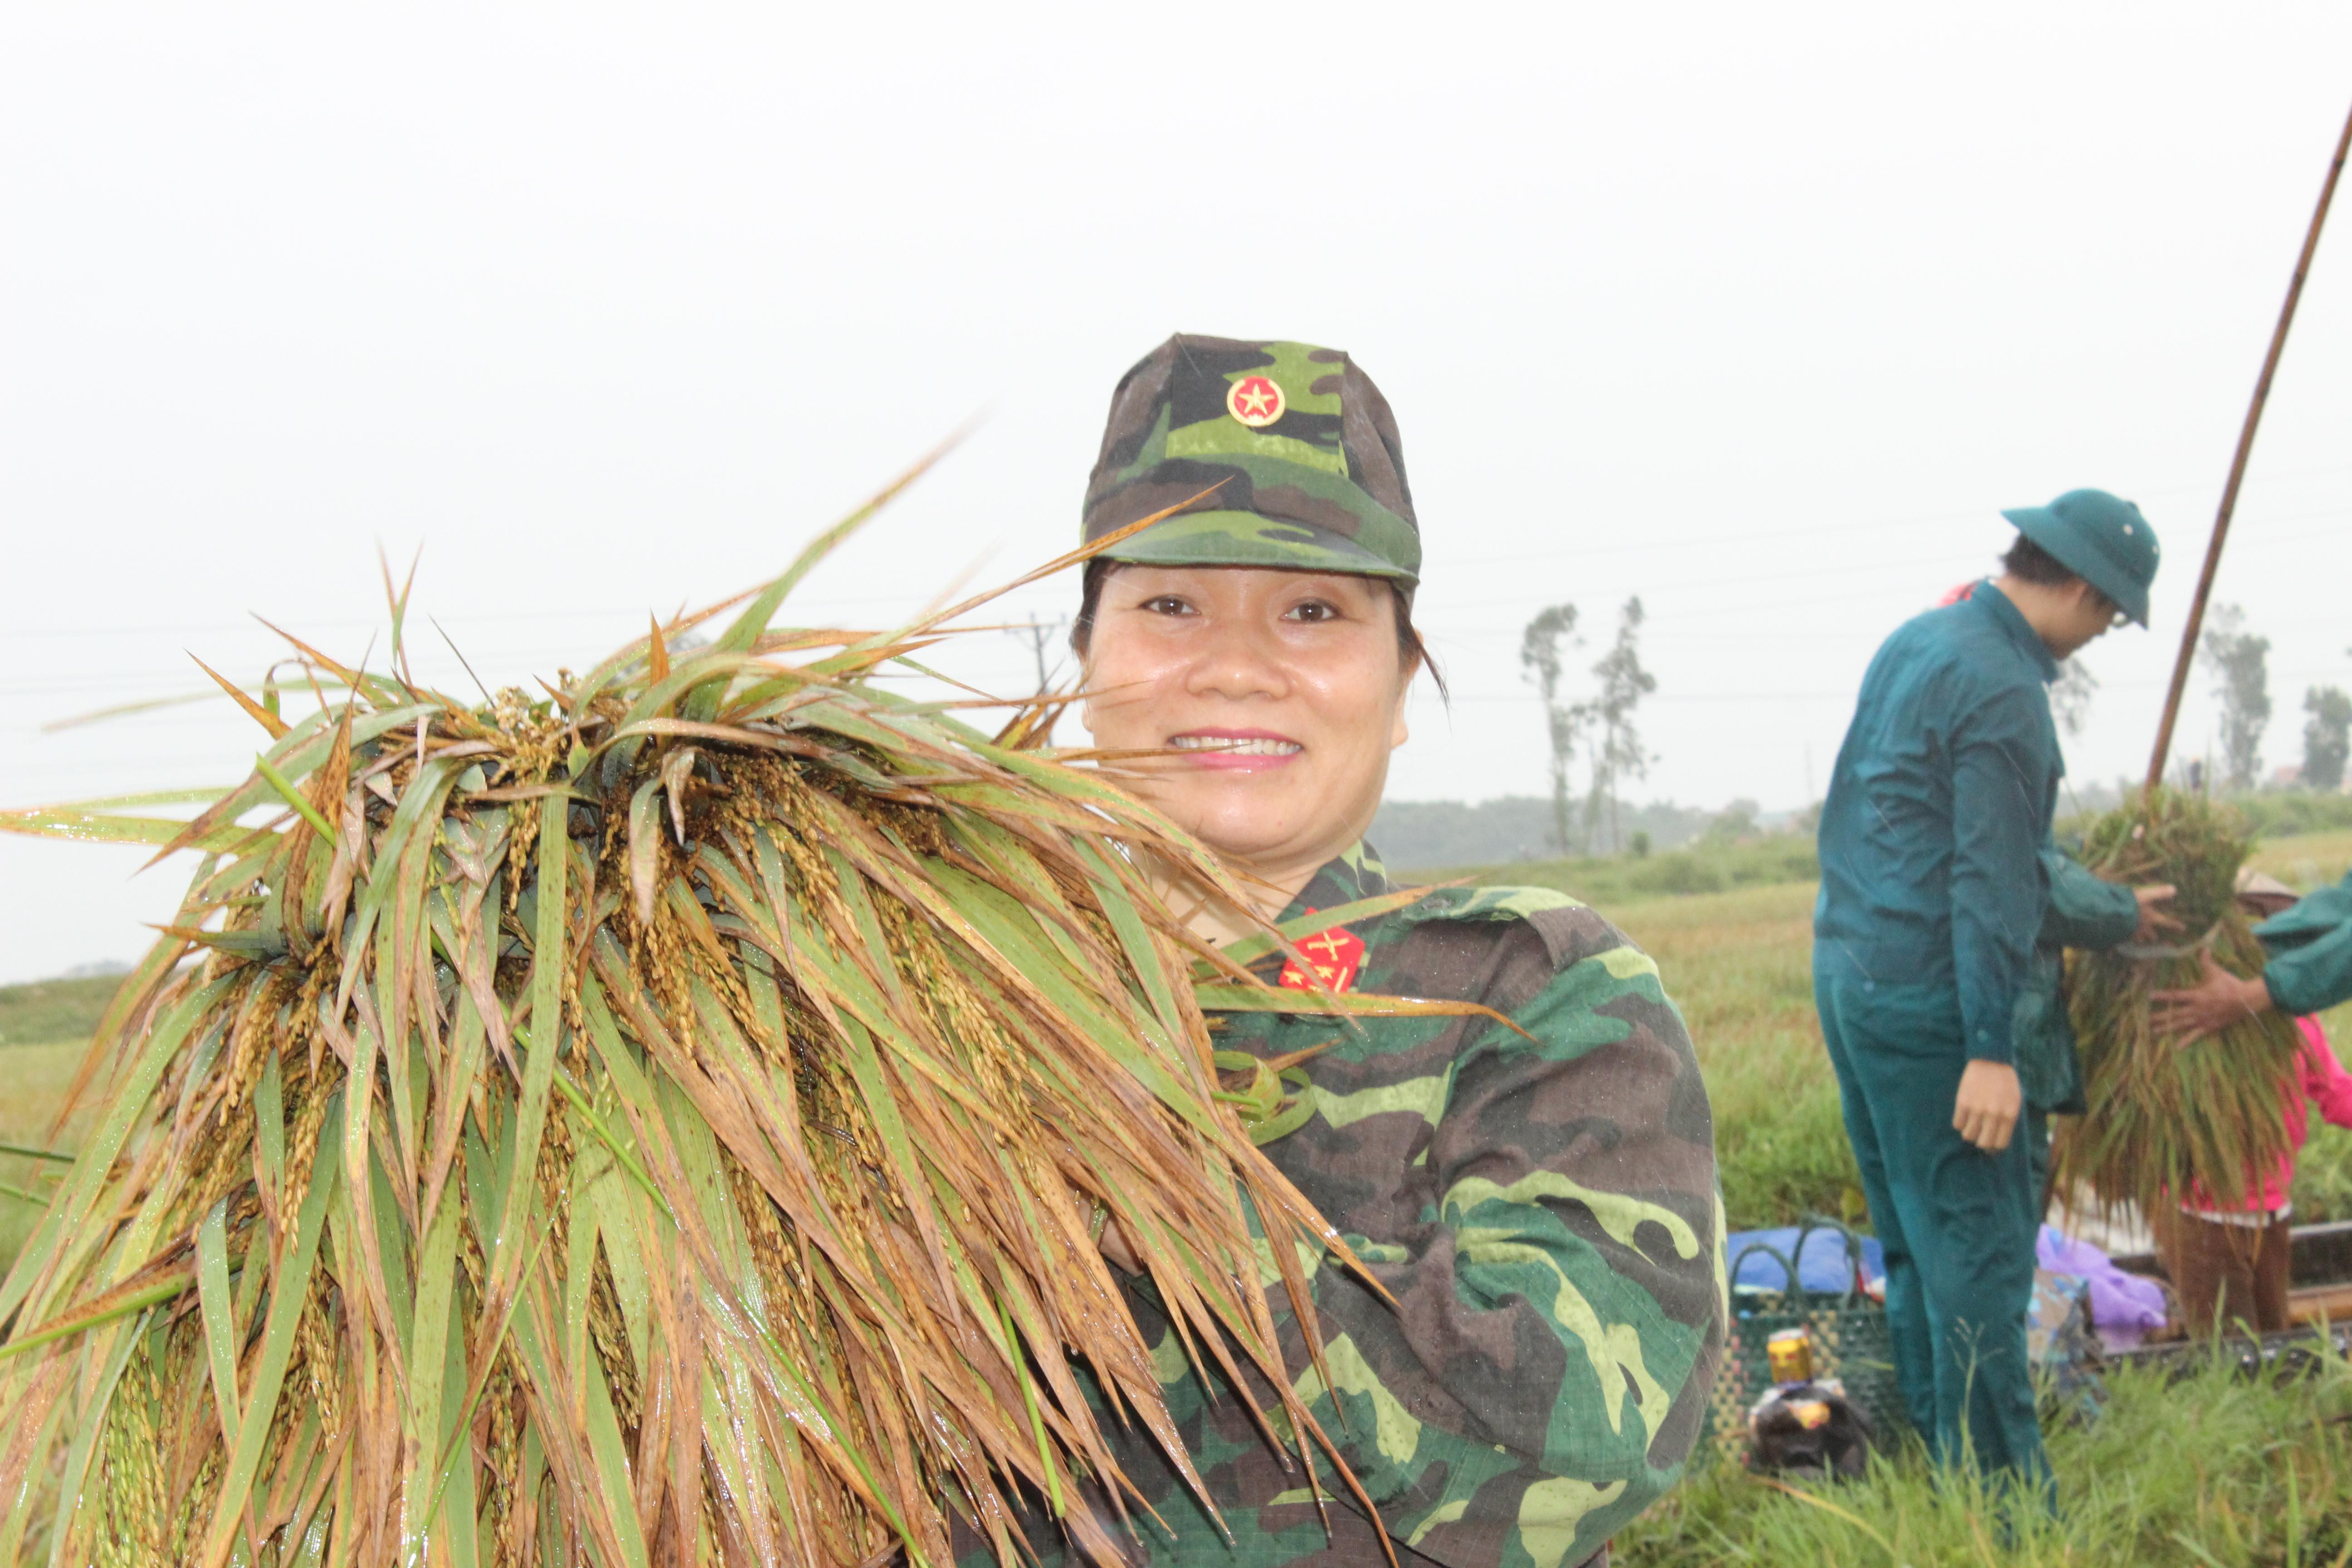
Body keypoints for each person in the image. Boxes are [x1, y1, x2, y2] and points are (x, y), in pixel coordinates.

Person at [984, 334, 1725, 1568]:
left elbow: (1578, 1452)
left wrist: (1136, 1175)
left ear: (1399, 684)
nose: (1235, 666)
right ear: (1084, 663)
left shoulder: (1531, 995)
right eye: (1170, 605)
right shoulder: (946, 998)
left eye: (1314, 612)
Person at [1812, 489, 2166, 1495]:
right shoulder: (2007, 688)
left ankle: (1945, 1477)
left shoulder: (1920, 641)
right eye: (2109, 617)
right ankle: (2012, 1517)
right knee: (1977, 1263)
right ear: (2086, 591)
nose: (2099, 637)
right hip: (1937, 1010)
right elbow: (1992, 882)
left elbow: (1906, 833)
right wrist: (1991, 1051)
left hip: (1854, 980)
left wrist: (2107, 907)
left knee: (1918, 1250)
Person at [2148, 870, 2352, 1333]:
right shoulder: (2191, 1017)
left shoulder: (2295, 1019)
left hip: (2271, 1209)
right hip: (2201, 1215)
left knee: (2276, 1338)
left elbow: (2337, 1094)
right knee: (2232, 1353)